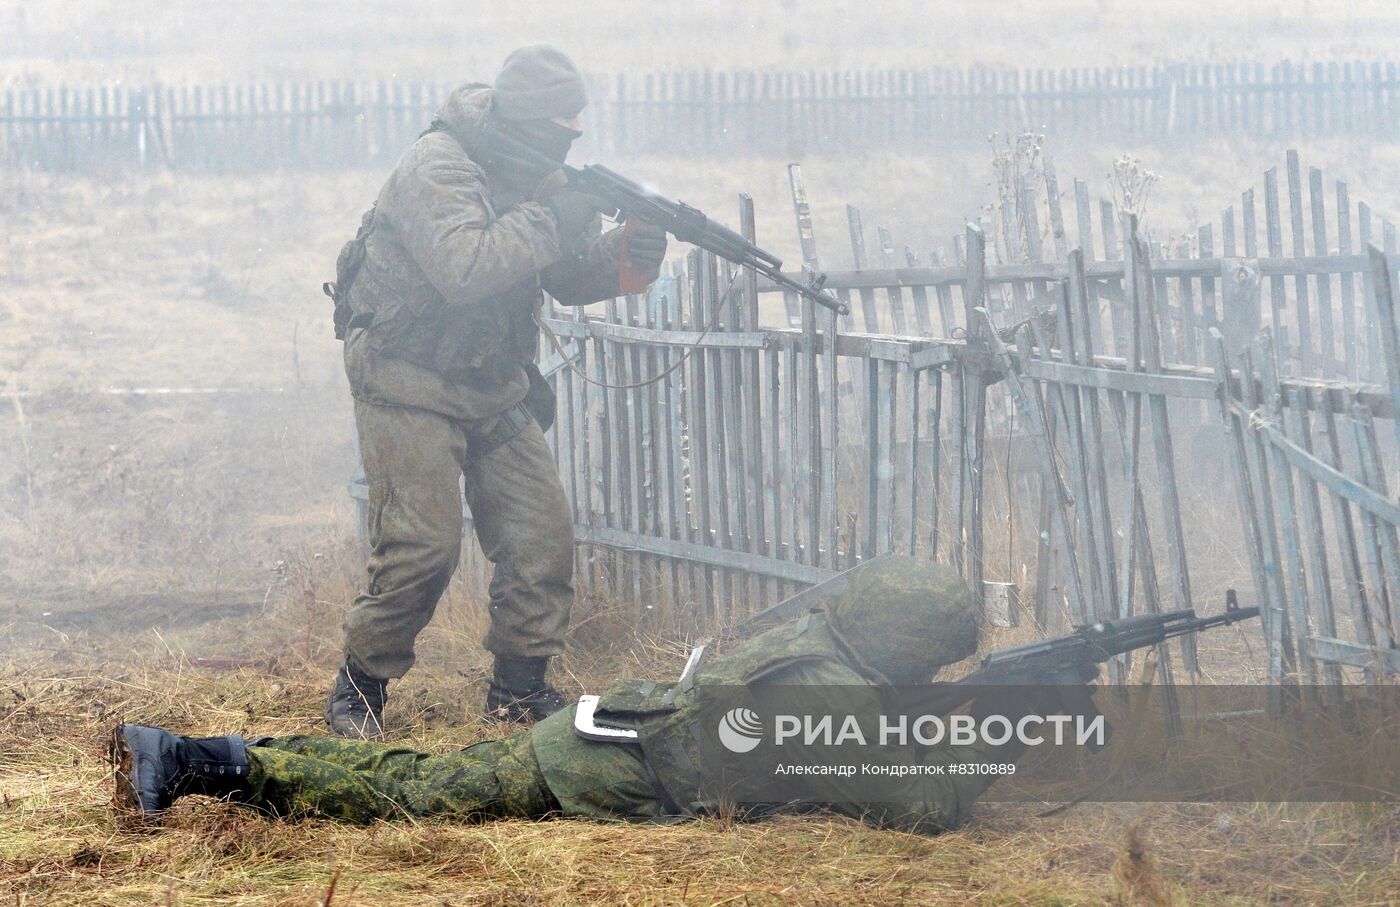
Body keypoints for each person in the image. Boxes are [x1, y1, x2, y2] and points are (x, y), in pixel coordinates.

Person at [111, 559, 1063, 834]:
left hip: (608, 725)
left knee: (418, 771)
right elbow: (927, 806)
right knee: (413, 798)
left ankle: (204, 748)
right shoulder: (831, 696)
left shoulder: (816, 641)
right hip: (602, 768)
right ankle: (198, 762)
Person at [324, 45, 668, 735]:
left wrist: (625, 257)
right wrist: (554, 217)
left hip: (490, 379)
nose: (572, 136)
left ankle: (518, 687)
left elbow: (562, 276)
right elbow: (465, 268)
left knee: (541, 533)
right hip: (406, 376)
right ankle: (358, 690)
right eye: (562, 123)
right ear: (530, 120)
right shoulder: (438, 167)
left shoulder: (530, 167)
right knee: (423, 546)